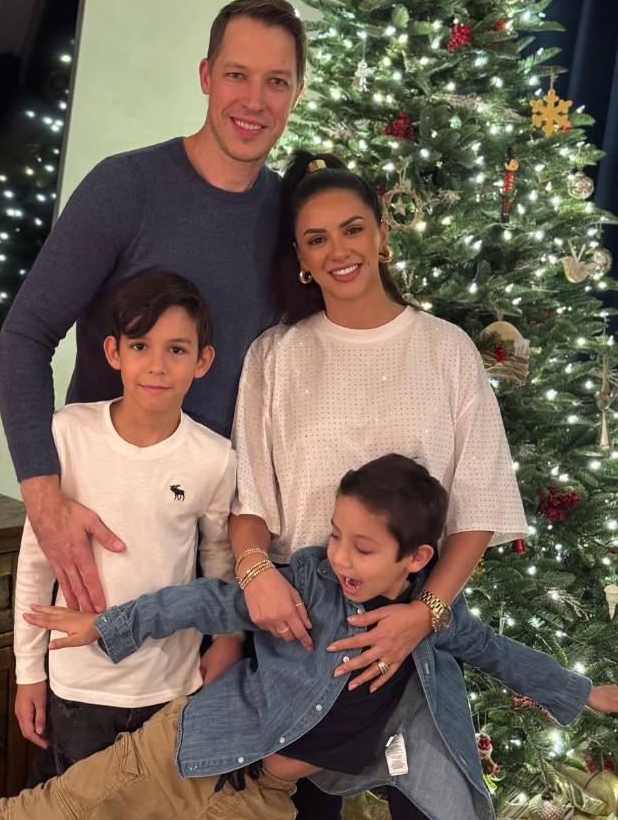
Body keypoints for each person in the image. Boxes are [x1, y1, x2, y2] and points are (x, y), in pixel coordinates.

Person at [0, 454, 618, 820]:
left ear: (415, 559)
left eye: (362, 547)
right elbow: (208, 601)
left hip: (263, 798)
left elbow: (498, 654)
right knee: (47, 812)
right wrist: (105, 626)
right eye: (335, 535)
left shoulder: (429, 629)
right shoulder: (308, 587)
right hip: (188, 749)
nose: (338, 555)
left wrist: (585, 694)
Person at [227, 149, 529, 817]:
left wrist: (421, 618)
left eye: (353, 228)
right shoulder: (275, 356)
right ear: (301, 259)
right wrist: (255, 574)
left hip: (410, 631)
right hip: (302, 639)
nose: (338, 249)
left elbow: (475, 504)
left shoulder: (445, 349)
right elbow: (248, 504)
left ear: (381, 235)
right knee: (296, 806)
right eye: (316, 238)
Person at [0, 0, 305, 619]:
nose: (254, 100)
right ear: (205, 76)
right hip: (103, 530)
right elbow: (23, 339)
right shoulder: (124, 188)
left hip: (218, 543)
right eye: (237, 75)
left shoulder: (292, 217)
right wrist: (45, 502)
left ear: (296, 92)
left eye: (276, 82)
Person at [13, 271, 238, 774]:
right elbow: (36, 564)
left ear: (203, 361)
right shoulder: (68, 432)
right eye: (141, 345)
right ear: (114, 352)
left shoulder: (215, 458)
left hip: (171, 685)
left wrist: (228, 639)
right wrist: (28, 672)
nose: (157, 366)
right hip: (77, 685)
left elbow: (219, 564)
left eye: (177, 350)